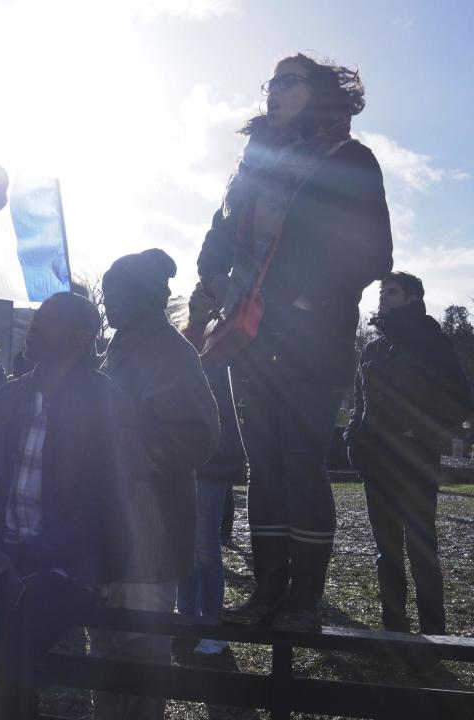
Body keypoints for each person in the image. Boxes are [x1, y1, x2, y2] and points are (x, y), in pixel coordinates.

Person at [198, 53, 394, 631]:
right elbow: (218, 234)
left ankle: (304, 602)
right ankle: (267, 594)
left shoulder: (350, 159)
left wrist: (311, 295)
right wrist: (212, 280)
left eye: (289, 81)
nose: (275, 91)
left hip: (312, 338)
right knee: (262, 466)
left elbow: (372, 251)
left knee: (301, 465)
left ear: (320, 93)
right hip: (248, 338)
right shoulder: (253, 167)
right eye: (272, 82)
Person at [0, 292, 132, 720]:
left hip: (69, 569)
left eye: (49, 320)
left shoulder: (104, 403)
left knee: (12, 639)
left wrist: (15, 557)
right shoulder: (6, 399)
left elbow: (99, 511)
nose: (34, 327)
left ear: (80, 338)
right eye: (36, 317)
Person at [93, 251, 220, 719]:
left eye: (116, 294)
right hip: (114, 535)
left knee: (141, 663)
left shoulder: (167, 351)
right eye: (106, 295)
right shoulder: (122, 346)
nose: (108, 304)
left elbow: (200, 435)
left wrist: (115, 450)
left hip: (150, 537)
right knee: (106, 656)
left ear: (144, 297)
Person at [345, 272, 472, 641]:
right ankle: (395, 634)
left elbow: (461, 398)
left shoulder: (432, 342)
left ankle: (436, 637)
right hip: (375, 463)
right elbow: (358, 401)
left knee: (422, 552)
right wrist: (354, 440)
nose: (382, 297)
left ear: (412, 298)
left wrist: (419, 431)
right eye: (381, 291)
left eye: (392, 291)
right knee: (386, 553)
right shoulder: (373, 348)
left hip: (415, 463)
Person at [178, 282, 247, 657]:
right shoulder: (180, 338)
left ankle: (211, 625)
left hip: (213, 455)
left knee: (205, 543)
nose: (194, 300)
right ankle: (184, 616)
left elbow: (224, 402)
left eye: (203, 296)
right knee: (184, 541)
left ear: (218, 304)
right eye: (192, 295)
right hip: (181, 455)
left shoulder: (224, 344)